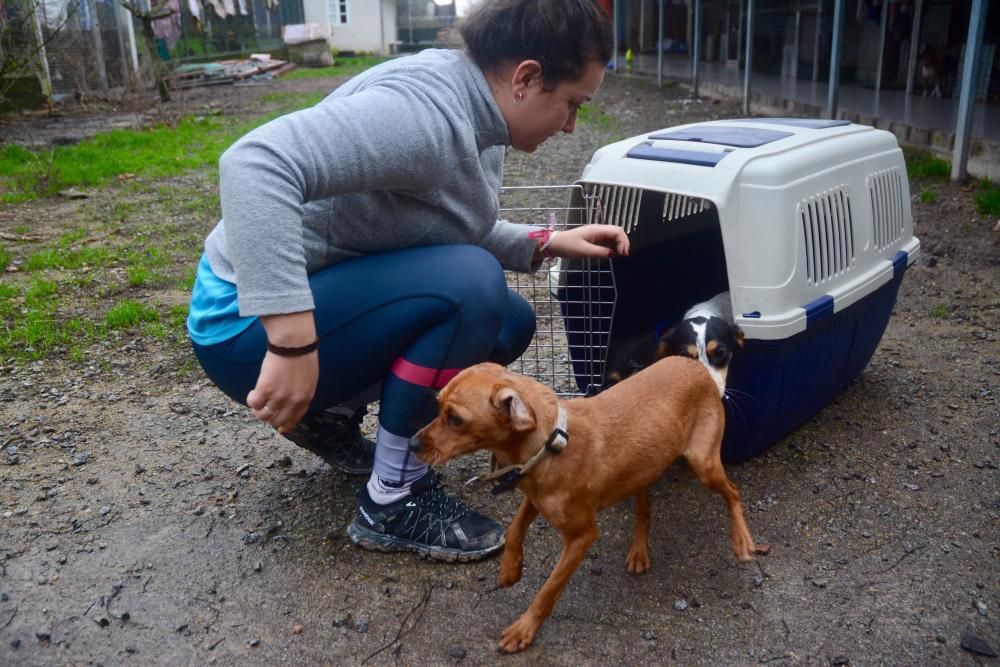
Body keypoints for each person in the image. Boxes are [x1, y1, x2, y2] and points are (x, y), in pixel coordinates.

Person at [186, 0, 628, 563]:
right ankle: (394, 497)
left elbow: (441, 223)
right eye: (572, 104)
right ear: (527, 78)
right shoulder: (424, 115)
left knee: (508, 320)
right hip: (241, 325)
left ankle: (329, 417)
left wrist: (543, 241)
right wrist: (289, 338)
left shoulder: (477, 111)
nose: (570, 125)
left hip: (318, 302)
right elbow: (255, 164)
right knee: (471, 287)